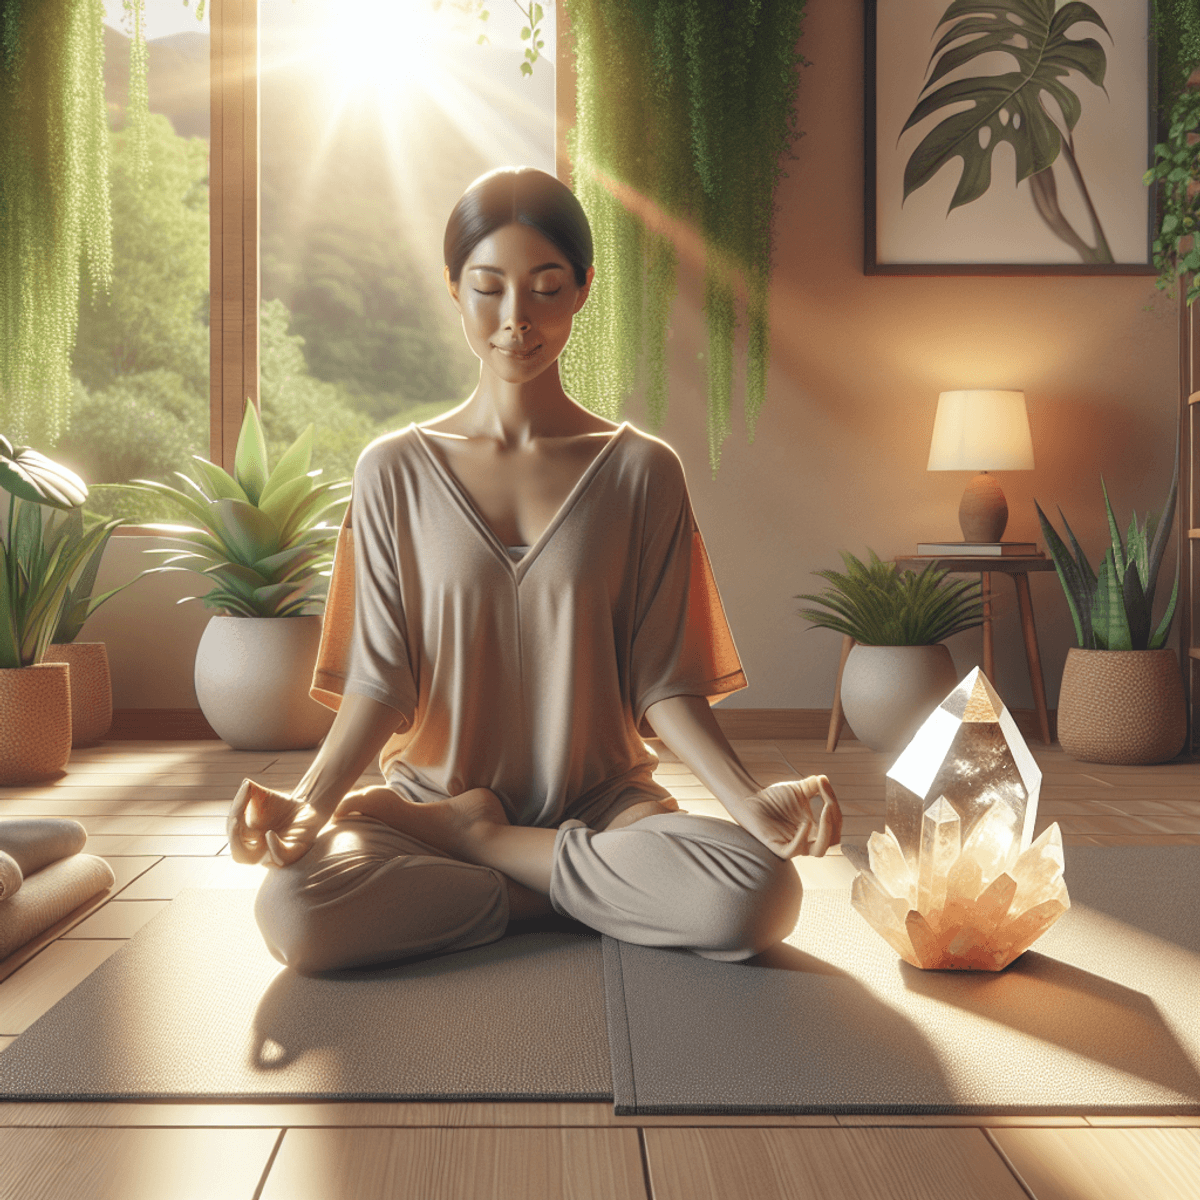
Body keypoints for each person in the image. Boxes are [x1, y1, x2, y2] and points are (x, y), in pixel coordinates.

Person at [226, 166, 842, 975]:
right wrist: (311, 802)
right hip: (424, 804)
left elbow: (664, 683)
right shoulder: (393, 472)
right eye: (489, 288)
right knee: (297, 915)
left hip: (603, 808)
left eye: (547, 288)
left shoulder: (640, 472)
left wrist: (747, 799)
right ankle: (576, 891)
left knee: (759, 895)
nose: (516, 320)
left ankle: (485, 848)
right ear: (452, 288)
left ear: (583, 290)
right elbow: (381, 685)